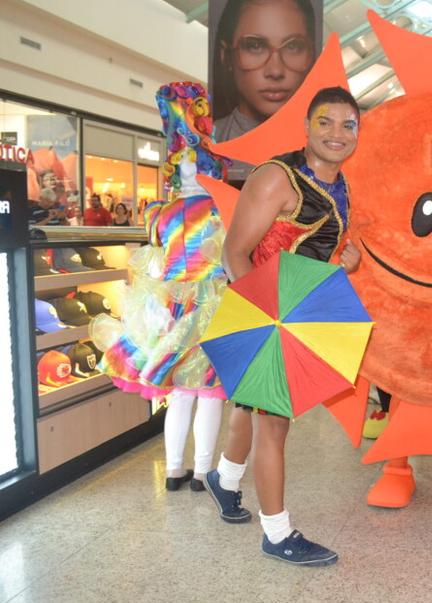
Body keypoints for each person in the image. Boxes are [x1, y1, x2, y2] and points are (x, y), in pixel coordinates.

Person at [205, 86, 362, 566]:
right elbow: (236, 251)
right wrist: (263, 316)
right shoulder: (279, 177)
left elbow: (307, 256)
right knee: (273, 425)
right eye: (326, 122)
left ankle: (225, 478)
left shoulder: (339, 183)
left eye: (348, 125)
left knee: (252, 405)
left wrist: (343, 266)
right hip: (262, 311)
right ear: (307, 127)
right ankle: (277, 534)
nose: (337, 133)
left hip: (293, 311)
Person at [91, 82, 230, 495]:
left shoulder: (159, 212)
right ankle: (202, 473)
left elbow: (153, 261)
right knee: (207, 393)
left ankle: (174, 471)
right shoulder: (222, 209)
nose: (189, 168)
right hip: (212, 308)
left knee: (181, 393)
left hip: (170, 309)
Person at [212, 0, 316, 185]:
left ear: (310, 55)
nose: (275, 71)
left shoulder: (325, 146)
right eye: (255, 46)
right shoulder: (206, 143)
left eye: (293, 47)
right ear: (225, 56)